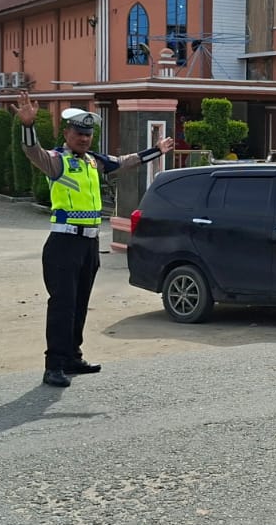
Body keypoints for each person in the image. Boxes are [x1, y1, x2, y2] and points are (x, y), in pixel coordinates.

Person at [15, 90, 175, 388]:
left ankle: (72, 357)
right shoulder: (57, 160)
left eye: (88, 134)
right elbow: (32, 151)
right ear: (67, 133)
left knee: (79, 303)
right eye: (79, 133)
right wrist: (28, 125)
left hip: (89, 244)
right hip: (64, 244)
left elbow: (125, 162)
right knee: (62, 305)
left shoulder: (93, 161)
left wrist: (156, 151)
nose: (84, 138)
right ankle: (54, 365)